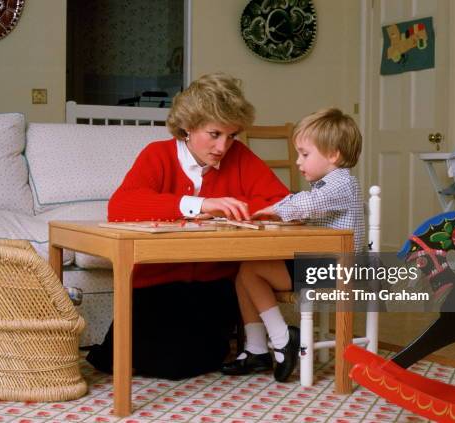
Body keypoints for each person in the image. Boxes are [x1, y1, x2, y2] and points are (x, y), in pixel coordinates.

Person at [86, 72, 290, 380]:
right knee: (136, 359)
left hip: (212, 286)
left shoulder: (240, 158)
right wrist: (198, 204)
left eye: (231, 135)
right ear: (188, 126)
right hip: (155, 282)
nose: (223, 146)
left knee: (185, 364)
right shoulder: (158, 155)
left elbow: (281, 202)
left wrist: (243, 209)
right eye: (214, 134)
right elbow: (121, 206)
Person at [221, 108, 365, 382]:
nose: (299, 162)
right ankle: (256, 348)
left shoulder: (341, 184)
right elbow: (304, 204)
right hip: (322, 264)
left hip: (334, 269)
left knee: (252, 270)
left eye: (305, 154)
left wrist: (272, 210)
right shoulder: (327, 186)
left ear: (333, 154)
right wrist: (274, 211)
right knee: (243, 274)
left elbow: (305, 204)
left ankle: (283, 338)